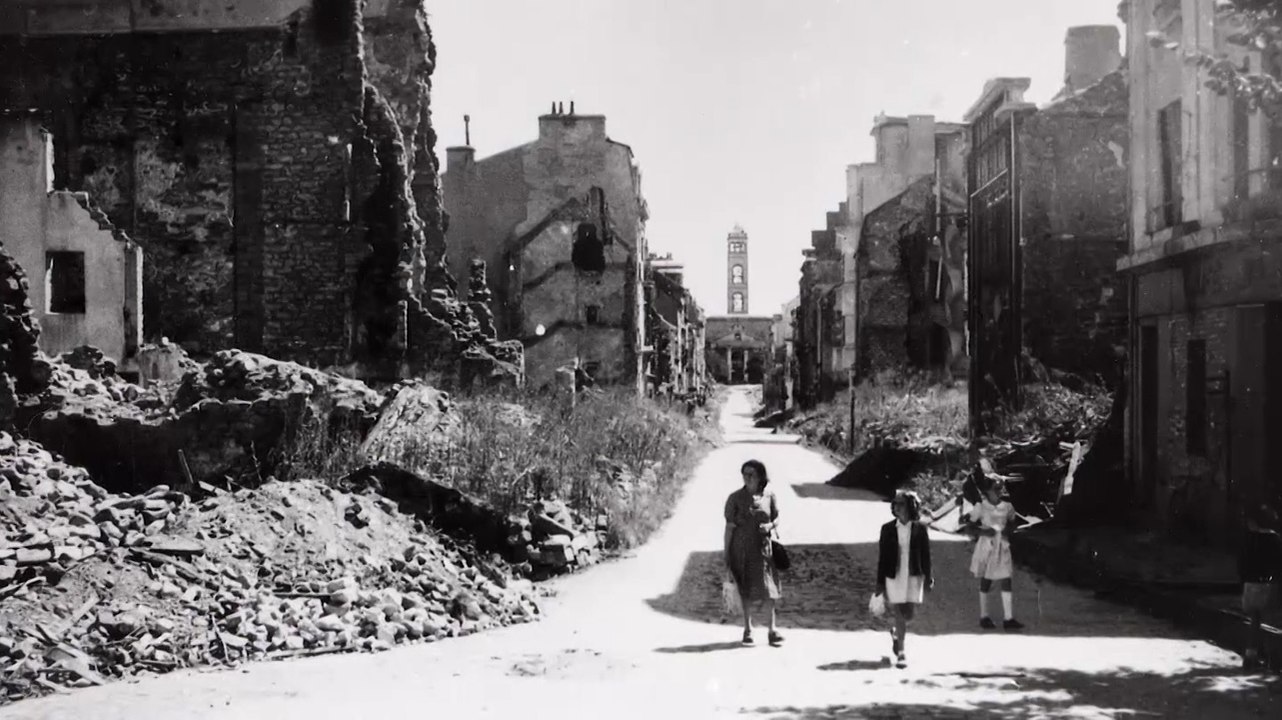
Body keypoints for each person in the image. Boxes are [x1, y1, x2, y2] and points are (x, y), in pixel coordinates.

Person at [724, 459, 783, 647]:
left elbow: (777, 517)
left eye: (752, 474)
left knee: (769, 590)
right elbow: (729, 528)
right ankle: (747, 630)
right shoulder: (735, 498)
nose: (747, 478)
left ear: (760, 477)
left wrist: (770, 525)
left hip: (764, 550)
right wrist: (726, 555)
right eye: (745, 474)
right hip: (741, 550)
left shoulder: (769, 496)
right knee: (746, 589)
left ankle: (772, 630)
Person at [876, 490, 934, 669]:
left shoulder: (920, 529)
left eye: (900, 503)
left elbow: (926, 555)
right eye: (895, 503)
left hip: (913, 574)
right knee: (899, 611)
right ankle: (901, 652)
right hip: (894, 574)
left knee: (909, 613)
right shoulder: (887, 529)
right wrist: (879, 583)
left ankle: (896, 633)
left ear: (910, 506)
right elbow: (882, 557)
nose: (896, 507)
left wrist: (929, 576)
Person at [966, 479, 1024, 630]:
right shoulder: (981, 507)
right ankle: (984, 616)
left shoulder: (1007, 506)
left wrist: (1008, 530)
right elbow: (969, 528)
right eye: (996, 488)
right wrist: (984, 531)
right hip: (987, 546)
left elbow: (1014, 522)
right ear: (987, 490)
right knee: (987, 580)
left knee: (1006, 578)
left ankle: (1008, 618)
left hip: (1002, 545)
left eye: (1000, 488)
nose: (999, 491)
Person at [1239, 502, 1282, 670]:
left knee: (1254, 621)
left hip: (1250, 585)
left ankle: (1250, 656)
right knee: (1270, 623)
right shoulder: (1274, 539)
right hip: (1267, 584)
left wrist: (1243, 580)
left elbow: (1241, 563)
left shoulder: (1248, 539)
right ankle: (1273, 659)